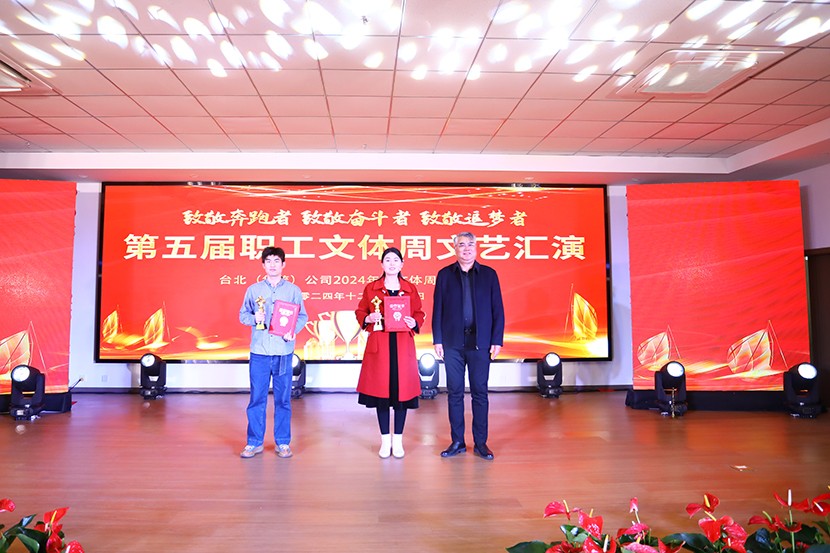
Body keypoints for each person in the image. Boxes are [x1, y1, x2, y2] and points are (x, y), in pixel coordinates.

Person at [432, 231, 504, 460]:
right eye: (462, 245)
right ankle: (457, 441)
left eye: (470, 244)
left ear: (476, 248)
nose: (466, 248)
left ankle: (481, 443)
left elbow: (498, 309)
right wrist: (438, 339)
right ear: (455, 248)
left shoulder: (489, 275)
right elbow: (437, 309)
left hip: (480, 343)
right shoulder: (445, 275)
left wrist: (496, 340)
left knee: (480, 393)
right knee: (454, 393)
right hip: (452, 343)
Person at [355, 247, 426, 459]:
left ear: (402, 264)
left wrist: (414, 322)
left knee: (401, 395)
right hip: (380, 346)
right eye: (388, 260)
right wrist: (367, 318)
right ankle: (385, 441)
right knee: (382, 396)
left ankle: (399, 440)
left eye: (396, 260)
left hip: (403, 345)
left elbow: (419, 312)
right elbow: (361, 311)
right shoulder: (372, 288)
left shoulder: (410, 289)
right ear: (382, 264)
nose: (392, 263)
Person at [238, 246, 308, 459]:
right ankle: (254, 442)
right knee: (257, 398)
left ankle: (283, 442)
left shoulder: (293, 291)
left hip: (283, 352)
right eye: (268, 261)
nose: (272, 265)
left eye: (277, 261)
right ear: (263, 265)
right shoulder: (253, 290)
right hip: (259, 352)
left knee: (283, 400)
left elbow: (302, 316)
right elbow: (243, 315)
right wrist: (254, 319)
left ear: (283, 264)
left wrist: (292, 331)